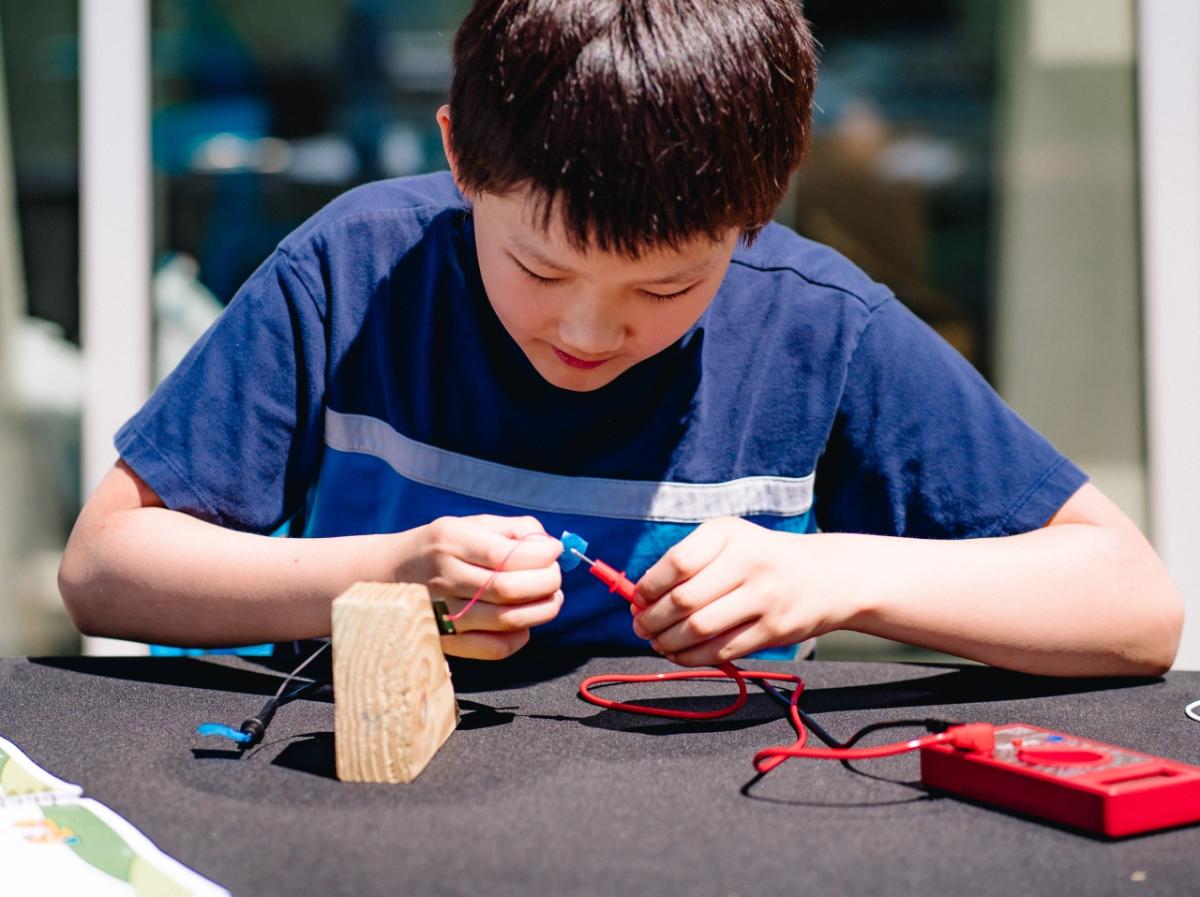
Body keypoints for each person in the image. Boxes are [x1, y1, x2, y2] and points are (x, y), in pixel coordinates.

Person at [59, 0, 1181, 676]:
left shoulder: (816, 325)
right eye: (539, 267)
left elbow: (1133, 605)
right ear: (459, 158)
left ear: (761, 207)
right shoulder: (356, 269)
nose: (590, 329)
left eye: (671, 284)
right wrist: (382, 575)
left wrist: (835, 576)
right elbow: (105, 568)